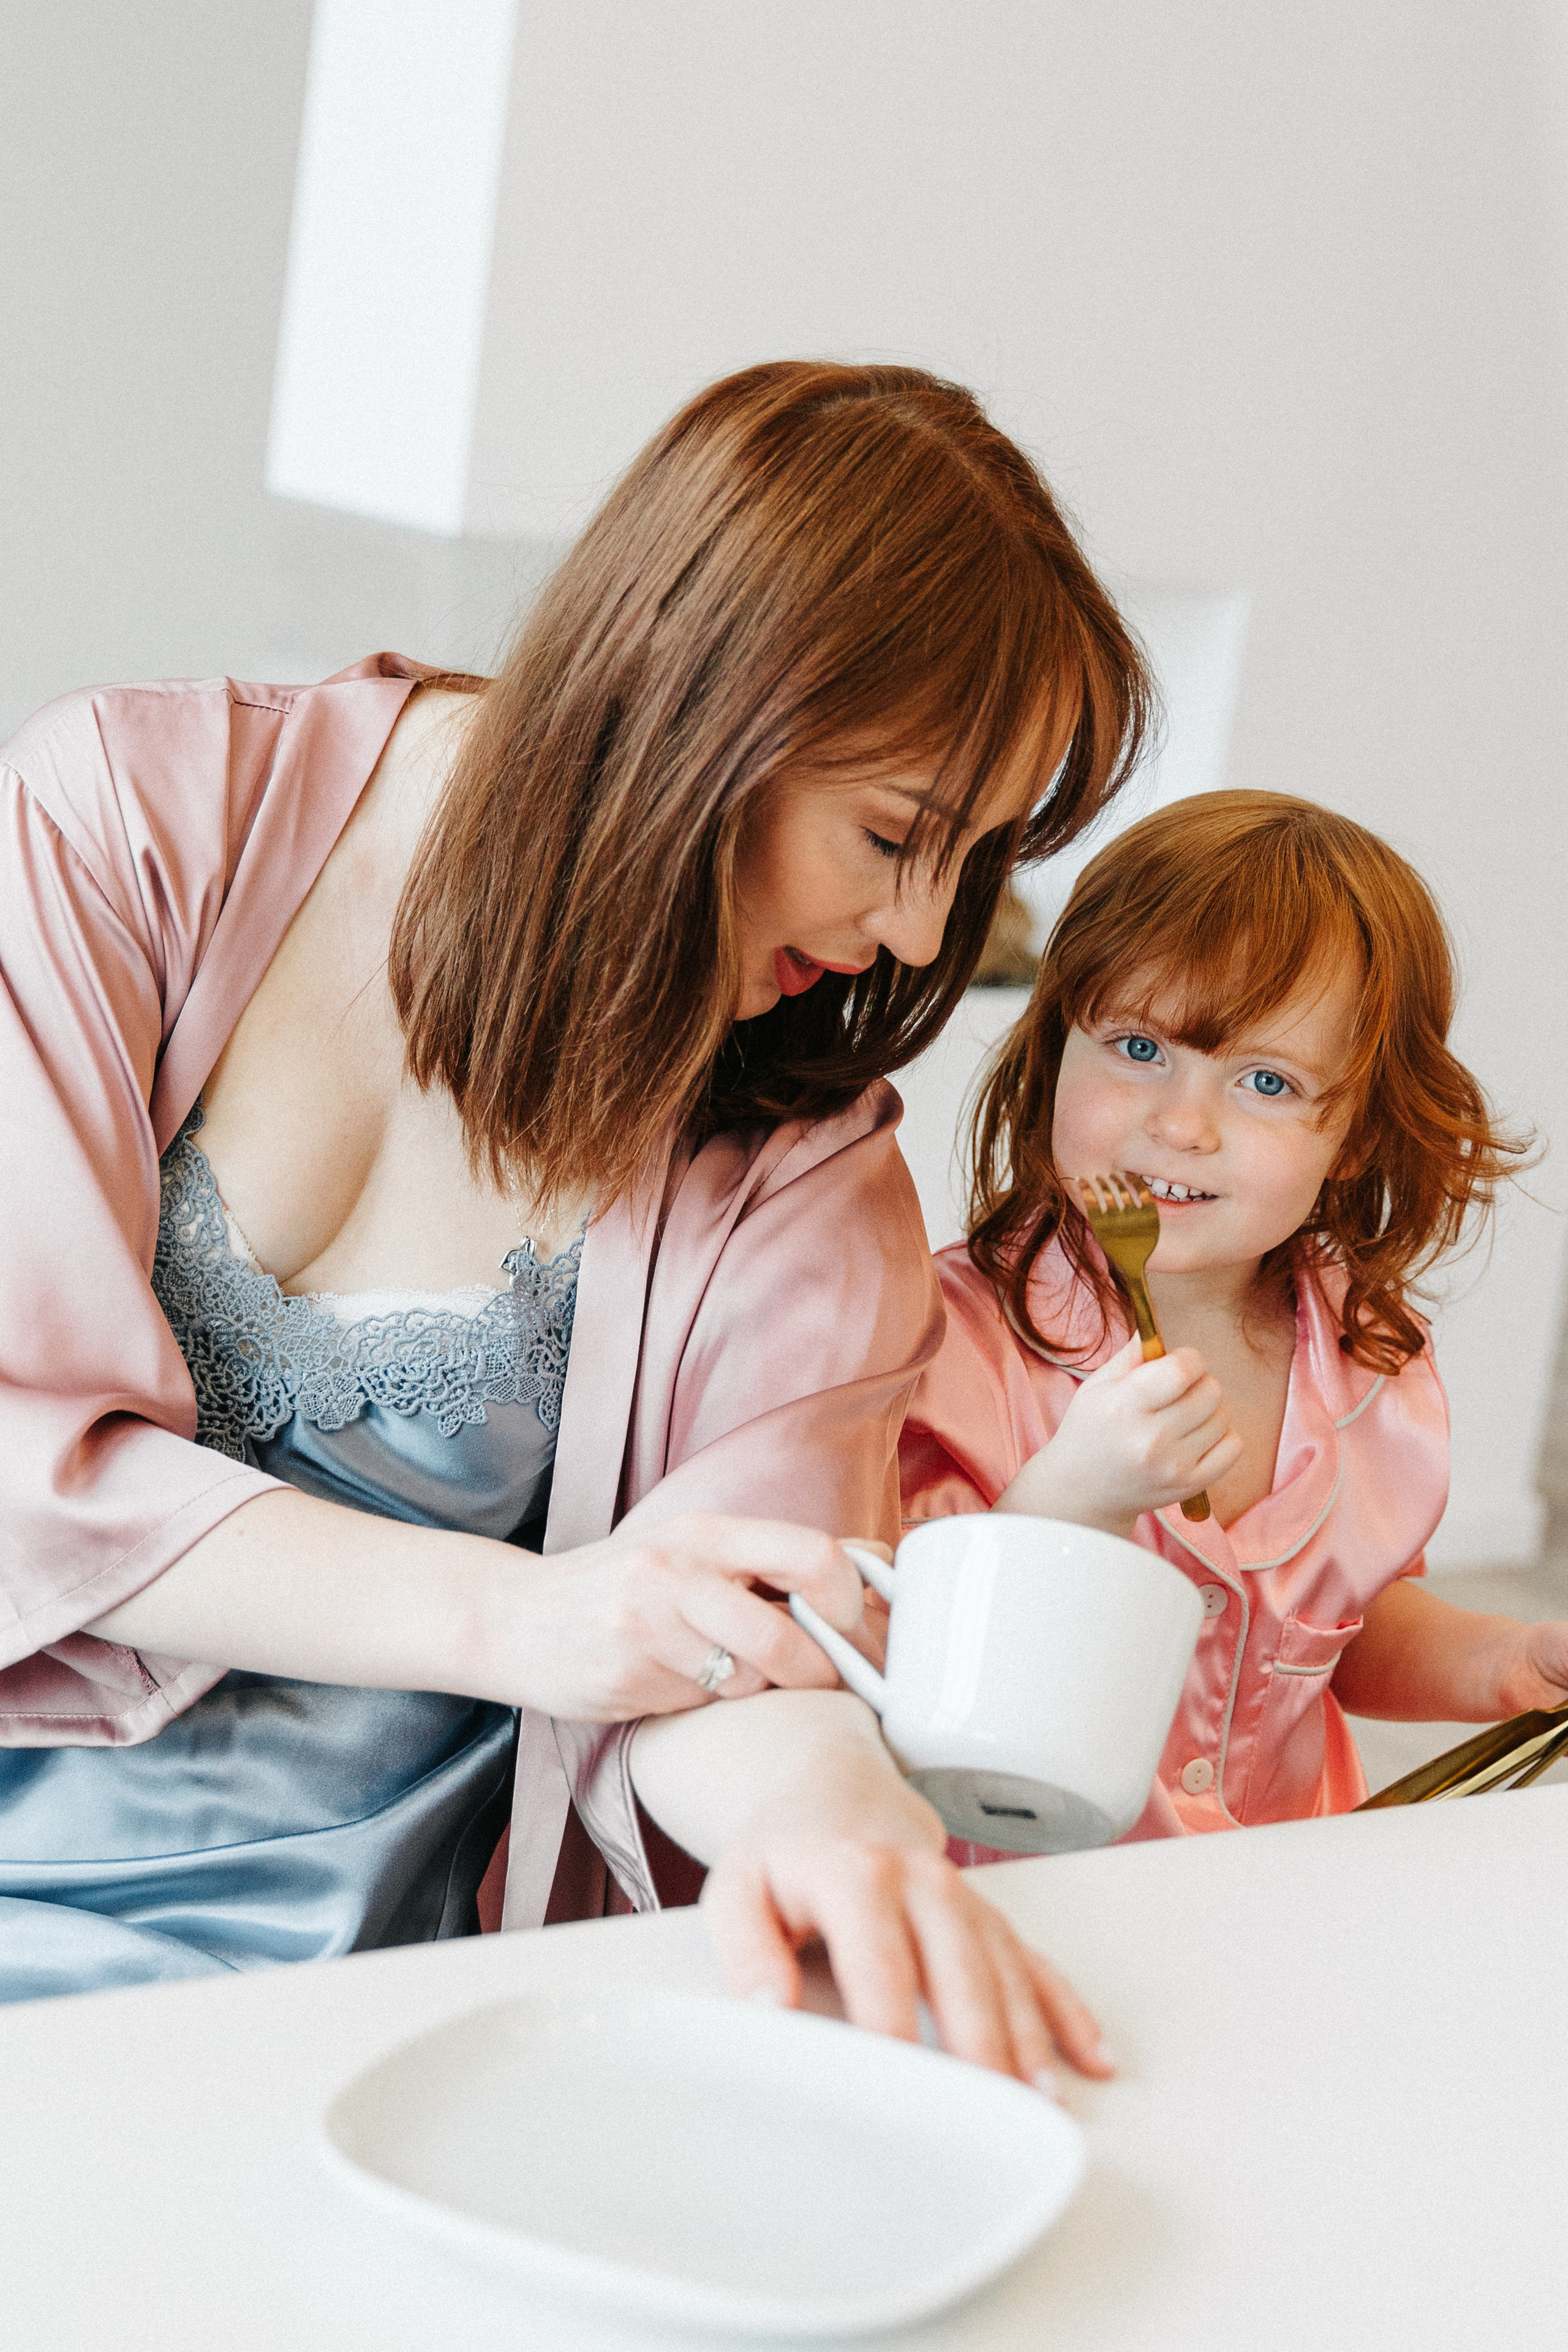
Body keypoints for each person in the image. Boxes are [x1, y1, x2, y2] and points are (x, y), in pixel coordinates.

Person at [0, 360, 1147, 2077]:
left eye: (967, 864)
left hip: (346, 1992)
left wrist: (832, 1816)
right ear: (710, 707)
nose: (919, 935)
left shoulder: (801, 1166)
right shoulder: (128, 818)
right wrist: (528, 1612)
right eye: (896, 835)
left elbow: (741, 1649)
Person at [900, 789, 1563, 1842]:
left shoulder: (1368, 1364)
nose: (1182, 1123)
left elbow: (1345, 1633)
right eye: (1138, 1048)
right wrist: (1077, 1494)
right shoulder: (949, 1346)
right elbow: (927, 1655)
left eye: (1266, 1081)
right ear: (1052, 1046)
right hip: (1030, 1894)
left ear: (1352, 1137)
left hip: (1272, 1897)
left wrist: (1503, 1662)